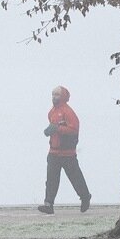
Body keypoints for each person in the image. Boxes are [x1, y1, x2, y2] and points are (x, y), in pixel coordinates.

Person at [38, 86, 91, 214]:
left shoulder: (68, 112)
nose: (54, 97)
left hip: (68, 154)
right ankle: (48, 204)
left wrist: (57, 129)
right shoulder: (51, 112)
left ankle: (85, 197)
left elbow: (74, 130)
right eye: (53, 94)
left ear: (63, 97)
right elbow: (54, 128)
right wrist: (49, 130)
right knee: (51, 180)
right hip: (53, 152)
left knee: (75, 177)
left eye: (57, 95)